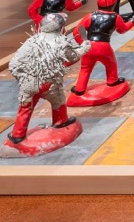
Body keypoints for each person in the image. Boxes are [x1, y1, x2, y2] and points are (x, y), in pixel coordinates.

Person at [7, 13, 86, 145]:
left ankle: (17, 134)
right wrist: (84, 49)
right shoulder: (61, 42)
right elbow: (71, 57)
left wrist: (23, 78)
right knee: (59, 100)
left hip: (29, 83)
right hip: (49, 84)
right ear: (60, 28)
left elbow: (13, 64)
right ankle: (60, 122)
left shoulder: (31, 41)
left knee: (25, 106)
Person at [69, 0, 134, 96]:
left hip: (89, 46)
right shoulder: (115, 17)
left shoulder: (90, 15)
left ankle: (80, 88)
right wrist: (133, 22)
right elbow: (122, 30)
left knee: (85, 68)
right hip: (104, 46)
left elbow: (77, 31)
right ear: (113, 5)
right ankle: (112, 81)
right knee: (111, 63)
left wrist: (84, 44)